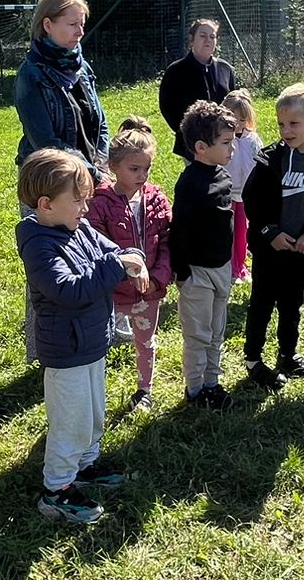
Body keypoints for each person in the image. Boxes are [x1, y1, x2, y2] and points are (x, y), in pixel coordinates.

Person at [16, 148, 148, 524]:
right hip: (67, 350)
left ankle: (86, 465)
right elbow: (69, 290)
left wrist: (132, 257)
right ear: (46, 205)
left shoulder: (77, 227)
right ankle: (56, 489)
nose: (85, 208)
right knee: (70, 422)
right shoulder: (39, 244)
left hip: (91, 342)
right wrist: (117, 265)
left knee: (93, 413)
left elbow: (113, 251)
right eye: (77, 200)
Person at [240, 83, 304, 390]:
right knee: (262, 303)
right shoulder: (270, 158)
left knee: (291, 303)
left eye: (294, 124)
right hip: (270, 248)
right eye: (281, 124)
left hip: (301, 250)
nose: (286, 131)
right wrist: (270, 231)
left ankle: (288, 355)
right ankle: (253, 359)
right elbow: (252, 199)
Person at [87, 117, 173, 411]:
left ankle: (144, 390)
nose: (142, 175)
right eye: (134, 169)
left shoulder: (157, 198)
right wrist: (123, 274)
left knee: (146, 342)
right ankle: (95, 394)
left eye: (147, 168)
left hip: (150, 291)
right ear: (113, 166)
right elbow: (97, 247)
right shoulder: (100, 203)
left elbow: (168, 239)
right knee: (98, 345)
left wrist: (159, 277)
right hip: (114, 293)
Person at [172, 99, 239, 409]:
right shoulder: (190, 184)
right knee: (198, 335)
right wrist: (182, 272)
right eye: (225, 142)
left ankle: (213, 383)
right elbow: (180, 229)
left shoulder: (223, 176)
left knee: (216, 331)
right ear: (200, 147)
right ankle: (196, 390)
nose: (232, 149)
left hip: (221, 268)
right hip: (197, 273)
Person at [13, 0, 108, 183]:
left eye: (82, 24)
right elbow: (46, 144)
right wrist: (93, 173)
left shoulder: (83, 68)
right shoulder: (30, 75)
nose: (80, 32)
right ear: (48, 25)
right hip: (50, 181)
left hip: (88, 177)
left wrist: (101, 164)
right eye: (73, 24)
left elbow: (101, 124)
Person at [157, 18, 236, 160]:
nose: (208, 40)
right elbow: (167, 108)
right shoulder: (176, 71)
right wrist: (188, 133)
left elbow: (233, 103)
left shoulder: (225, 69)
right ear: (192, 39)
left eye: (212, 36)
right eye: (203, 36)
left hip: (222, 143)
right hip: (192, 145)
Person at [221, 89, 261, 283]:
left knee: (242, 232)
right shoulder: (221, 138)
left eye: (242, 119)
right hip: (226, 193)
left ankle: (241, 266)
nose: (238, 124)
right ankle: (230, 267)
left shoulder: (252, 139)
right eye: (233, 118)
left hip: (246, 193)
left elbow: (259, 162)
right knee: (227, 231)